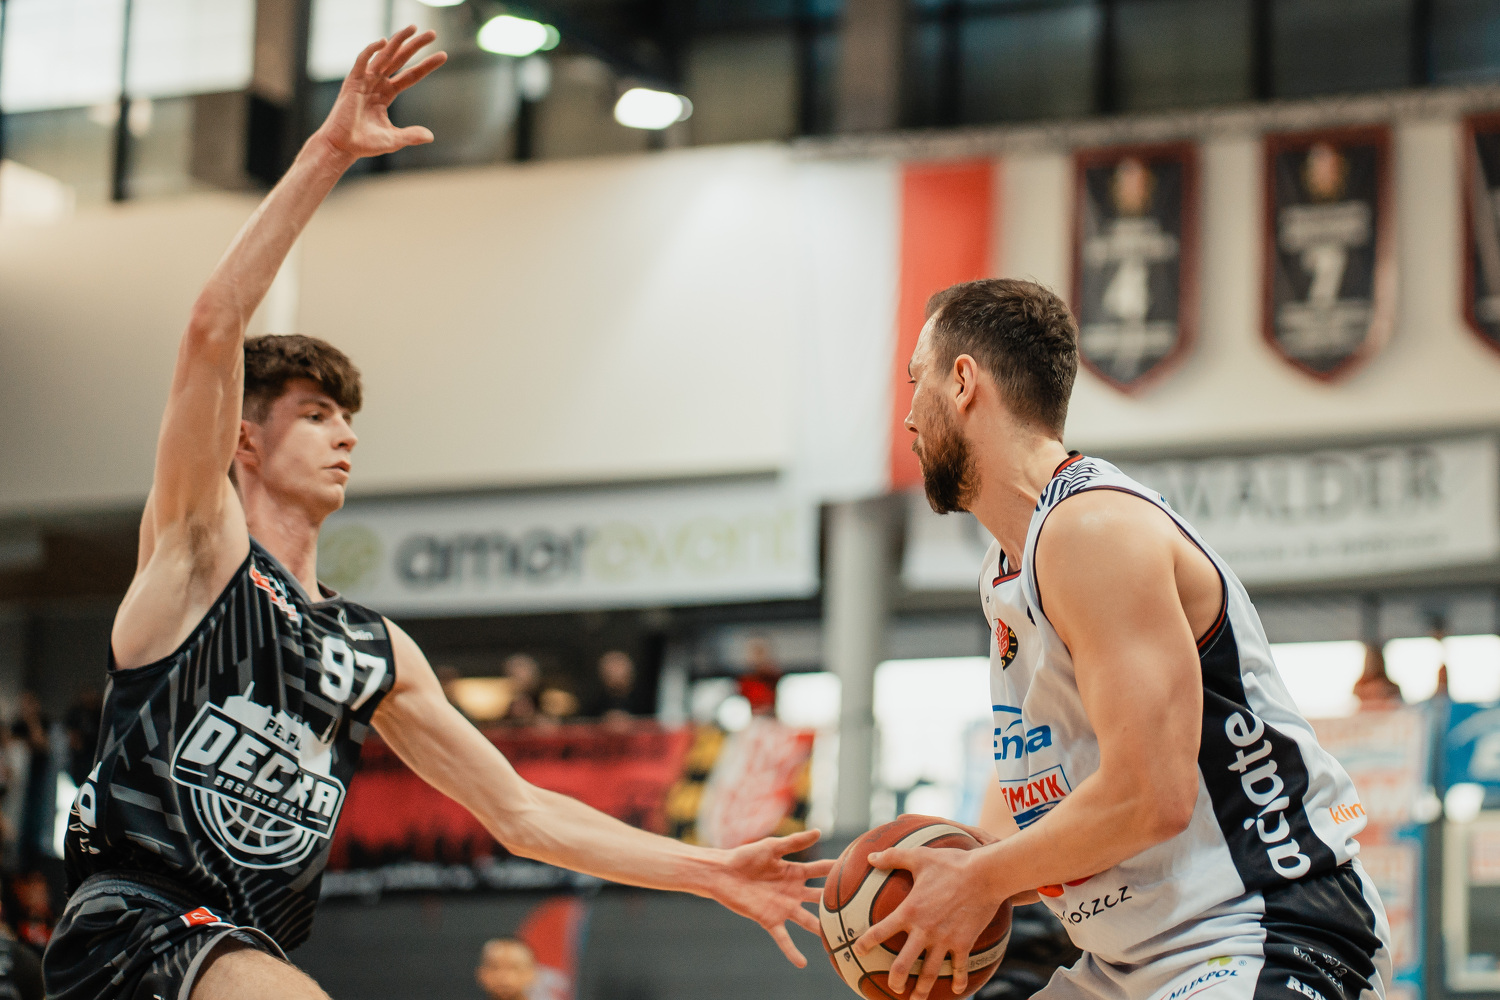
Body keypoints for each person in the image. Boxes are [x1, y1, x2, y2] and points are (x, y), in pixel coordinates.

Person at [40, 29, 830, 1000]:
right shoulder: (201, 553)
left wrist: (708, 871)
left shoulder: (373, 649)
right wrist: (329, 151)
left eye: (348, 419)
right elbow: (212, 326)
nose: (344, 435)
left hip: (246, 946)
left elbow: (523, 812)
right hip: (139, 927)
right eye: (315, 415)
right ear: (244, 440)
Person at [853, 279, 1393, 1000]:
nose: (908, 416)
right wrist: (912, 878)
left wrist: (978, 879)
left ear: (962, 381)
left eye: (914, 380)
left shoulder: (1092, 529)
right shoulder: (1007, 567)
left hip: (1262, 927)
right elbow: (1029, 799)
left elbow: (1150, 796)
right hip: (1130, 961)